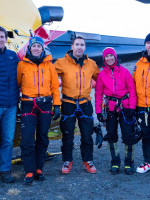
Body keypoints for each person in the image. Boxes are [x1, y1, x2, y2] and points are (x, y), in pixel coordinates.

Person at [17, 36, 61, 185]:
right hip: (28, 104)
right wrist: (18, 102)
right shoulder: (22, 65)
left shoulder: (49, 65)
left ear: (43, 48)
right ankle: (29, 170)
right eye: (34, 46)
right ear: (30, 48)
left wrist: (57, 105)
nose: (36, 49)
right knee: (28, 139)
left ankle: (39, 169)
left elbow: (55, 86)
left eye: (39, 46)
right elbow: (17, 84)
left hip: (45, 104)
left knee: (43, 137)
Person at [54, 36, 100, 174]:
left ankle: (88, 161)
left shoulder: (91, 64)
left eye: (82, 45)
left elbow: (102, 80)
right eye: (77, 44)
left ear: (85, 47)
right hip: (68, 103)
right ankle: (67, 161)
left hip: (85, 103)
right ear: (72, 46)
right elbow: (48, 77)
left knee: (87, 134)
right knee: (67, 134)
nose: (80, 47)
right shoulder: (61, 62)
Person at [95, 47, 137, 175]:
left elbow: (132, 91)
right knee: (111, 135)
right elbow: (98, 93)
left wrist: (131, 108)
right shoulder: (102, 74)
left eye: (111, 56)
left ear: (115, 57)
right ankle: (115, 161)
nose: (109, 58)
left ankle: (129, 162)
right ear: (104, 59)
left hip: (125, 107)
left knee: (128, 136)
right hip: (110, 108)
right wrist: (98, 111)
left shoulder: (124, 72)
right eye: (106, 57)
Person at [0, 26, 20, 183]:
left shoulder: (13, 56)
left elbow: (22, 77)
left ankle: (5, 170)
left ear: (6, 39)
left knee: (7, 139)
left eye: (2, 36)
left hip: (11, 105)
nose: (0, 39)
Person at [133, 33, 150, 173]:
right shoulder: (138, 65)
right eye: (148, 42)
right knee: (146, 135)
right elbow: (133, 86)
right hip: (142, 106)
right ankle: (148, 162)